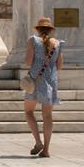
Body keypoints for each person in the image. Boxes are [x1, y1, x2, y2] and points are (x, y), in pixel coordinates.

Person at [23, 16, 64, 158]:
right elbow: (59, 66)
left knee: (29, 112)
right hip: (50, 81)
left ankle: (38, 141)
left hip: (35, 80)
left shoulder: (33, 41)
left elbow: (28, 62)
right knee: (47, 115)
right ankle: (46, 149)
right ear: (51, 29)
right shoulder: (58, 43)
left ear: (38, 29)